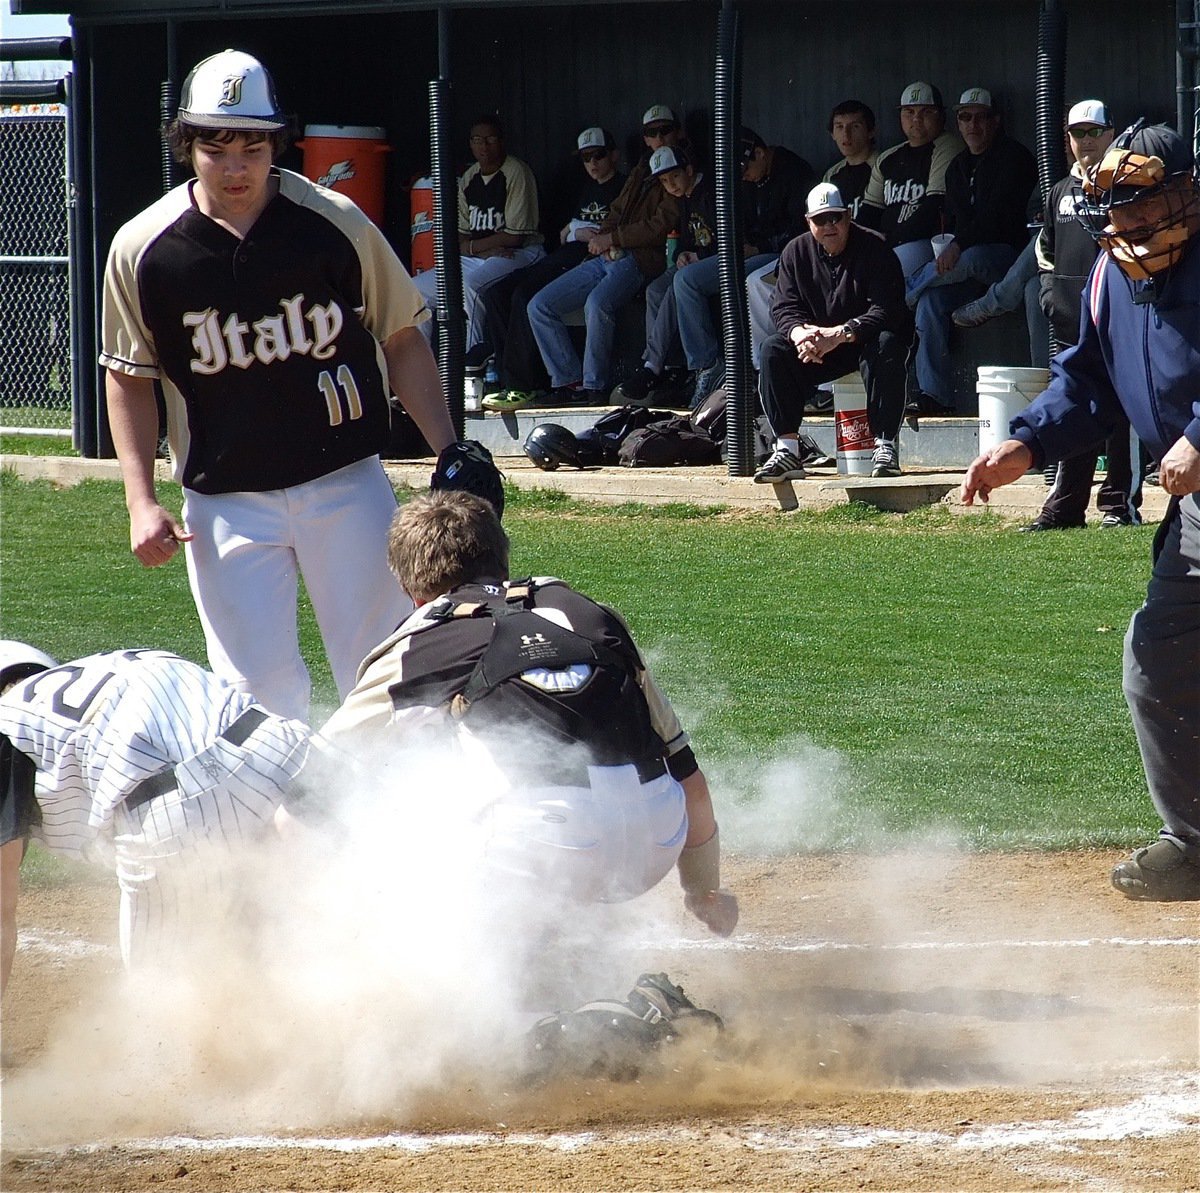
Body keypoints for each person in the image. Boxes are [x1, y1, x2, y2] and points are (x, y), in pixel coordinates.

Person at [99, 49, 456, 722]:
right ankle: (274, 828)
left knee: (386, 670)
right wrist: (139, 500)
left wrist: (449, 449)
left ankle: (405, 821)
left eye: (253, 147)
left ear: (275, 144)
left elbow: (402, 336)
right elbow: (128, 377)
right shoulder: (144, 249)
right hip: (225, 501)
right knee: (253, 697)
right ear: (186, 145)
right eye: (216, 146)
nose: (236, 167)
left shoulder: (333, 220)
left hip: (346, 480)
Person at [279, 491, 739, 936]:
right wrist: (704, 891)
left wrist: (293, 905)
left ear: (406, 586)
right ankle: (567, 950)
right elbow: (688, 777)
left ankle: (503, 974)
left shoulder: (421, 640)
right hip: (655, 842)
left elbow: (316, 779)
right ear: (502, 557)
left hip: (540, 851)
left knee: (394, 793)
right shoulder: (590, 613)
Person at [961, 122, 1200, 902]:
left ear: (1185, 193)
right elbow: (1090, 383)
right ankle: (1193, 842)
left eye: (1145, 211)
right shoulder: (1109, 278)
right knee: (1157, 657)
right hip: (1197, 511)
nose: (1130, 230)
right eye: (1117, 217)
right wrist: (1024, 446)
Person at [0, 641, 311, 995]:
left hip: (180, 807)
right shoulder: (120, 663)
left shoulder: (6, 724)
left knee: (161, 1013)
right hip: (287, 750)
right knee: (325, 940)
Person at [1024, 101, 1139, 530]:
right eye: (1077, 134)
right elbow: (1045, 252)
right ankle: (1065, 509)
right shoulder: (1060, 191)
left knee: (1120, 413)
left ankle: (1118, 505)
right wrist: (1052, 297)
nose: (1086, 141)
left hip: (1117, 323)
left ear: (1112, 133)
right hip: (1071, 322)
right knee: (1073, 410)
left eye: (1094, 132)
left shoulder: (1126, 187)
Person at [526, 105, 684, 405]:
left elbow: (661, 225)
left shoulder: (681, 169)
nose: (659, 137)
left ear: (677, 132)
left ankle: (593, 389)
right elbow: (617, 211)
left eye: (665, 130)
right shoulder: (642, 167)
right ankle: (569, 381)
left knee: (597, 303)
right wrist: (603, 238)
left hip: (641, 259)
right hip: (609, 254)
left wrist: (614, 238)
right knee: (539, 306)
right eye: (652, 132)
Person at [754, 182, 909, 483]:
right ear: (808, 222)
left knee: (888, 344)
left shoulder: (875, 247)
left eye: (835, 217)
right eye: (820, 220)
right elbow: (783, 306)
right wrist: (799, 334)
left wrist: (840, 334)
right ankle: (787, 450)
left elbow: (886, 310)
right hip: (818, 347)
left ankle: (885, 445)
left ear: (848, 216)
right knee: (773, 349)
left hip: (864, 340)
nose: (829, 226)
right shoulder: (795, 251)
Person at [905, 88, 1037, 414]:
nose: (972, 125)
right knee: (930, 302)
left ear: (995, 121)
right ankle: (933, 395)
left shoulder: (1015, 157)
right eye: (965, 117)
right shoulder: (958, 167)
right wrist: (952, 243)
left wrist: (957, 245)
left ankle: (901, 296)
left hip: (1008, 262)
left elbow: (994, 220)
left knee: (971, 258)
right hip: (967, 269)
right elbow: (956, 220)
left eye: (980, 117)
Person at [663, 127, 814, 406]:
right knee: (685, 280)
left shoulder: (793, 172)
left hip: (782, 252)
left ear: (759, 153)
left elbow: (800, 230)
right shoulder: (748, 178)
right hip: (749, 251)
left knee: (753, 281)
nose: (743, 175)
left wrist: (758, 246)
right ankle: (708, 366)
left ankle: (761, 370)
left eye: (745, 168)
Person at [480, 127, 627, 412]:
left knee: (525, 296)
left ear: (614, 155)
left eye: (598, 155)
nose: (593, 164)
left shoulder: (622, 187)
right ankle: (505, 378)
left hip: (587, 261)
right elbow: (565, 233)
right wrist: (575, 230)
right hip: (560, 254)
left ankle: (524, 386)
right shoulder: (585, 188)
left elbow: (604, 233)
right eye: (586, 158)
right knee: (495, 294)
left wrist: (577, 231)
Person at [748, 101, 877, 377]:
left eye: (854, 127)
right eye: (840, 128)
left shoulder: (882, 165)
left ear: (870, 130)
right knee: (757, 282)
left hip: (864, 254)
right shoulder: (833, 174)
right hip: (827, 253)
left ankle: (824, 378)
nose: (847, 135)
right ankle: (765, 369)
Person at [412, 114, 545, 353]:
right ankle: (425, 373)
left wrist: (476, 248)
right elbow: (460, 241)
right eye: (477, 140)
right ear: (471, 144)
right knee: (415, 291)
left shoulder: (516, 172)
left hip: (523, 253)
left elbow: (515, 238)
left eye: (490, 139)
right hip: (483, 255)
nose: (483, 146)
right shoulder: (469, 177)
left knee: (472, 285)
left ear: (502, 141)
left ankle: (474, 365)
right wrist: (480, 249)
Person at [611, 145, 717, 408]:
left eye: (675, 177)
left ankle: (662, 365)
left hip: (723, 261)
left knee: (678, 284)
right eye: (664, 181)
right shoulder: (683, 199)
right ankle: (671, 367)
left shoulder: (711, 190)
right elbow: (685, 237)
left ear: (689, 170)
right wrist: (682, 253)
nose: (671, 185)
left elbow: (728, 239)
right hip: (697, 262)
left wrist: (698, 257)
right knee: (655, 290)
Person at [859, 82, 963, 277]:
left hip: (927, 242)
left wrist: (886, 241)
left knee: (887, 272)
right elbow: (869, 211)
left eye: (926, 112)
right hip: (889, 244)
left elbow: (934, 208)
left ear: (941, 115)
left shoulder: (948, 146)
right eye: (909, 112)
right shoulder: (888, 158)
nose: (916, 119)